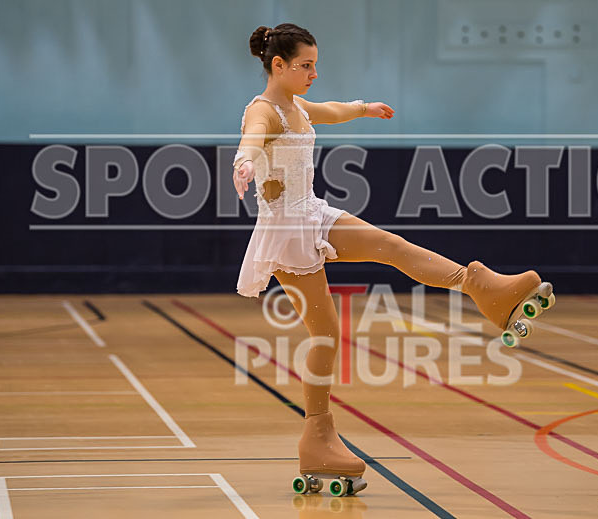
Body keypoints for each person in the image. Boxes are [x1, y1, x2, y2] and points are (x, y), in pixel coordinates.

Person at [232, 23, 550, 495]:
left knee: (392, 246)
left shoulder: (295, 105)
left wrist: (363, 108)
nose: (313, 73)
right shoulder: (264, 111)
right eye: (305, 66)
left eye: (316, 64)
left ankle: (484, 290)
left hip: (313, 215)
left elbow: (331, 111)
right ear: (278, 65)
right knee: (324, 335)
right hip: (286, 233)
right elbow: (254, 137)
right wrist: (244, 160)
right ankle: (317, 435)